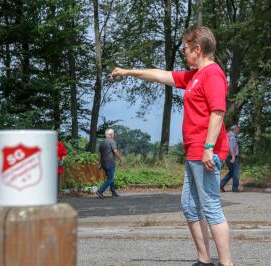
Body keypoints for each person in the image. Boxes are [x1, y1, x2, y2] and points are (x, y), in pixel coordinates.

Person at [111, 26, 233, 266]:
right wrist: (128, 72)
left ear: (198, 49)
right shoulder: (194, 75)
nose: (184, 53)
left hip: (204, 151)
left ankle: (226, 263)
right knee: (189, 206)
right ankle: (204, 260)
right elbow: (159, 75)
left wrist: (209, 147)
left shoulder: (213, 74)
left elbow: (217, 111)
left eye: (186, 49)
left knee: (210, 207)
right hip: (193, 152)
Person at [96, 128, 123, 199]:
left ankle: (113, 192)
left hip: (103, 163)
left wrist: (99, 163)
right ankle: (100, 191)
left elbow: (99, 154)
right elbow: (115, 151)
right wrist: (120, 158)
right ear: (111, 135)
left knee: (110, 177)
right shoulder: (112, 141)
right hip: (110, 162)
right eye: (114, 133)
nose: (114, 134)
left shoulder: (102, 142)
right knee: (111, 178)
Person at [220, 125, 240, 192]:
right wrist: (233, 157)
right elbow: (230, 147)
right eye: (238, 129)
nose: (238, 131)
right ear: (235, 129)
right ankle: (235, 188)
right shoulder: (232, 137)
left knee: (231, 172)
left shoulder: (228, 136)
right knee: (236, 172)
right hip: (231, 156)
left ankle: (221, 184)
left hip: (227, 156)